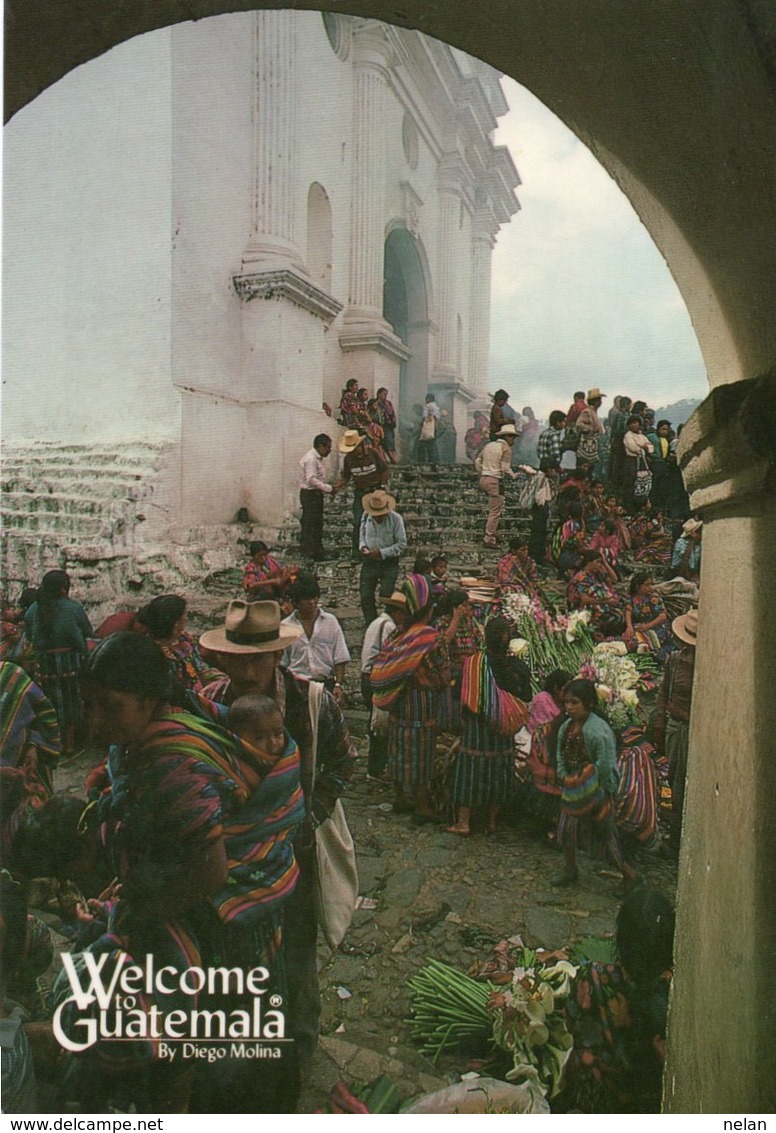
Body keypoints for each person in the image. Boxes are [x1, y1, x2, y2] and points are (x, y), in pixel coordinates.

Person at [67, 631, 305, 1112]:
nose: (97, 722)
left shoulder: (170, 758)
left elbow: (211, 872)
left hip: (216, 911)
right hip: (206, 900)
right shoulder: (174, 721)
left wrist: (142, 906)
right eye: (91, 706)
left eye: (111, 707)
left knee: (176, 1038)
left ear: (151, 700)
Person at [199, 600, 356, 1087]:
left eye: (257, 658)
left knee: (296, 952)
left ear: (277, 657)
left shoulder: (312, 702)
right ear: (224, 659)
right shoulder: (209, 703)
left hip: (295, 854)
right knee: (233, 952)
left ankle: (299, 1048)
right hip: (231, 859)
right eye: (238, 658)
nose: (247, 669)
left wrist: (306, 814)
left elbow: (342, 761)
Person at [561, 888, 675, 1113]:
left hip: (599, 1102)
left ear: (621, 938)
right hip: (650, 1105)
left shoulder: (591, 979)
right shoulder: (674, 996)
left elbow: (570, 1025)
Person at [371, 574, 449, 821]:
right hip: (421, 702)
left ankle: (400, 797)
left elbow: (383, 662)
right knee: (422, 751)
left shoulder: (397, 635)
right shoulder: (429, 637)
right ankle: (422, 805)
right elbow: (443, 672)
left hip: (398, 700)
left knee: (399, 748)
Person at [553, 678, 640, 890]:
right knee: (566, 831)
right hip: (573, 788)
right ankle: (570, 868)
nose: (569, 707)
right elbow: (560, 754)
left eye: (574, 703)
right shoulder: (567, 727)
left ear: (589, 704)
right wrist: (564, 775)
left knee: (605, 834)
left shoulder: (598, 732)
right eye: (566, 703)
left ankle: (630, 875)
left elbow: (606, 764)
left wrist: (594, 789)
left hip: (597, 791)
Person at [448, 617, 530, 836]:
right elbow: (526, 696)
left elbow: (459, 695)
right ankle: (491, 822)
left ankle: (463, 822)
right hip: (503, 732)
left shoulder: (474, 664)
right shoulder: (517, 667)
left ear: (486, 638)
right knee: (499, 774)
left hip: (477, 731)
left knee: (470, 773)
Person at [23, 570, 93, 753]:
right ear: (63, 589)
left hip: (45, 664)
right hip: (70, 663)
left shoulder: (33, 610)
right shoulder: (73, 608)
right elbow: (87, 632)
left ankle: (53, 744)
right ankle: (70, 746)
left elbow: (30, 636)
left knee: (51, 703)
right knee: (71, 702)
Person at [0, 661, 62, 863]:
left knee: (37, 844)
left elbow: (45, 715)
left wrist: (34, 745)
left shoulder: (11, 676)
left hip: (26, 779)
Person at [653, 608, 698, 856]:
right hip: (675, 728)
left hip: (692, 730)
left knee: (686, 782)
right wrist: (660, 719)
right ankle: (676, 835)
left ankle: (681, 839)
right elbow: (663, 692)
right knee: (675, 781)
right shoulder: (675, 659)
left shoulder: (705, 667)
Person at [280, 573, 350, 703]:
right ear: (297, 601)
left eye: (314, 598)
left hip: (325, 685)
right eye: (307, 599)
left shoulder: (330, 622)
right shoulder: (285, 627)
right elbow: (282, 664)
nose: (312, 602)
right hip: (296, 687)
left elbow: (340, 657)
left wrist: (338, 685)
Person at [361, 592, 407, 781]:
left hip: (367, 676)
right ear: (397, 612)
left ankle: (376, 767)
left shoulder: (376, 623)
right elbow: (391, 655)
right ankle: (377, 768)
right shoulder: (387, 627)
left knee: (377, 724)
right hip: (376, 678)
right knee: (380, 726)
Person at [137, 593, 221, 690]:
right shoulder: (155, 653)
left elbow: (200, 668)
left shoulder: (184, 640)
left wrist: (219, 680)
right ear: (176, 622)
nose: (186, 617)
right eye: (184, 614)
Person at [337, 429, 389, 560]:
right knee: (357, 522)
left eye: (355, 448)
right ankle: (357, 554)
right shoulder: (348, 460)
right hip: (360, 494)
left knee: (380, 522)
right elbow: (346, 477)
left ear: (360, 445)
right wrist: (335, 487)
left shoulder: (373, 454)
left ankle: (381, 552)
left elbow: (384, 470)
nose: (353, 452)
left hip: (375, 491)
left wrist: (382, 487)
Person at [358, 488, 407, 624]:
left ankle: (387, 623)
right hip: (369, 561)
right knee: (365, 595)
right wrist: (362, 546)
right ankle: (371, 623)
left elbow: (401, 544)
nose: (377, 517)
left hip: (388, 562)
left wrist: (382, 552)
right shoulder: (366, 516)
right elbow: (361, 533)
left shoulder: (396, 519)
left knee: (386, 594)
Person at [474, 422, 519, 547]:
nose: (513, 440)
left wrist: (482, 471)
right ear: (506, 437)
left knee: (493, 508)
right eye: (512, 437)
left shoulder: (489, 445)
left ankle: (493, 532)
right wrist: (514, 475)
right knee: (495, 511)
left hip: (484, 478)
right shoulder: (506, 449)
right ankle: (489, 538)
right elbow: (505, 468)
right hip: (494, 480)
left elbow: (478, 460)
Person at [566, 551, 627, 636]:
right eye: (598, 562)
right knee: (615, 617)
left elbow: (614, 579)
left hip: (600, 605)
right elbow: (585, 599)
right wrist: (606, 602)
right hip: (585, 608)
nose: (600, 565)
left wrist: (605, 563)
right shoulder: (581, 577)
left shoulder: (596, 574)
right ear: (589, 562)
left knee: (624, 612)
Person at [298, 433, 338, 560]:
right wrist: (327, 488)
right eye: (327, 447)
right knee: (311, 523)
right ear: (320, 446)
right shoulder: (311, 459)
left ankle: (315, 550)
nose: (329, 450)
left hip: (314, 494)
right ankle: (311, 551)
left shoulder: (316, 459)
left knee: (315, 522)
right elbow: (311, 479)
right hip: (310, 494)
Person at [623, 572, 672, 660]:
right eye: (646, 585)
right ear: (638, 586)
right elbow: (628, 612)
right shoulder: (632, 598)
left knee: (648, 642)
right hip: (639, 626)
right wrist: (629, 627)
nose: (650, 587)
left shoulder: (654, 597)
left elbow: (662, 616)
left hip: (656, 626)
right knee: (628, 639)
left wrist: (647, 626)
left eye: (651, 584)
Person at [242, 540, 293, 608]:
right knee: (268, 588)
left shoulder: (270, 560)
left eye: (265, 554)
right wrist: (272, 581)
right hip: (260, 597)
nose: (263, 558)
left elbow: (283, 569)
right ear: (254, 556)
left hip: (277, 591)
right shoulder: (251, 568)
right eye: (259, 556)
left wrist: (284, 577)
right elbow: (251, 586)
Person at [622, 415, 655, 513]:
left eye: (635, 423)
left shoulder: (642, 436)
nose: (633, 425)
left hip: (642, 462)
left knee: (642, 483)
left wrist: (643, 446)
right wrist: (643, 446)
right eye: (631, 423)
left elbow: (651, 448)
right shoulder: (628, 435)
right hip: (631, 462)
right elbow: (633, 448)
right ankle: (630, 509)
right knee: (632, 484)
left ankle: (641, 506)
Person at [576, 388, 606, 470]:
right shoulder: (587, 411)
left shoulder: (593, 411)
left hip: (594, 444)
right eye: (599, 400)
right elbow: (579, 424)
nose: (600, 402)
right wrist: (591, 429)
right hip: (589, 445)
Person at [373, 387, 398, 463]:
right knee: (383, 443)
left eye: (386, 394)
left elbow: (392, 413)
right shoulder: (376, 403)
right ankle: (385, 460)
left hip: (390, 426)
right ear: (379, 394)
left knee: (391, 443)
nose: (385, 396)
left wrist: (394, 421)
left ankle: (393, 459)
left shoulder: (388, 403)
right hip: (381, 426)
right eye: (384, 394)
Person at [417, 393, 441, 463]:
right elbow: (438, 417)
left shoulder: (427, 406)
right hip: (434, 428)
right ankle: (433, 460)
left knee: (423, 444)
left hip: (428, 428)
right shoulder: (436, 407)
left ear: (428, 399)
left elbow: (424, 416)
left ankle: (423, 460)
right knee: (432, 444)